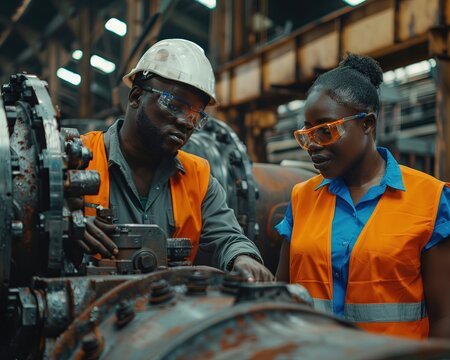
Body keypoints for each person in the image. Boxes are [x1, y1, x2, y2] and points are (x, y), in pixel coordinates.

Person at [275, 53, 450, 339]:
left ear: (367, 124)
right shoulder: (301, 198)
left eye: (325, 131)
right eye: (307, 134)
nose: (312, 147)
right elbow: (279, 296)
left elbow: (445, 318)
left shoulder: (430, 200)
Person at [78, 38, 274, 281]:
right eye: (175, 104)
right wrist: (70, 225)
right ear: (136, 96)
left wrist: (243, 257)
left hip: (169, 311)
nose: (187, 122)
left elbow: (227, 236)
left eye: (197, 115)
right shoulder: (78, 159)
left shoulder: (198, 177)